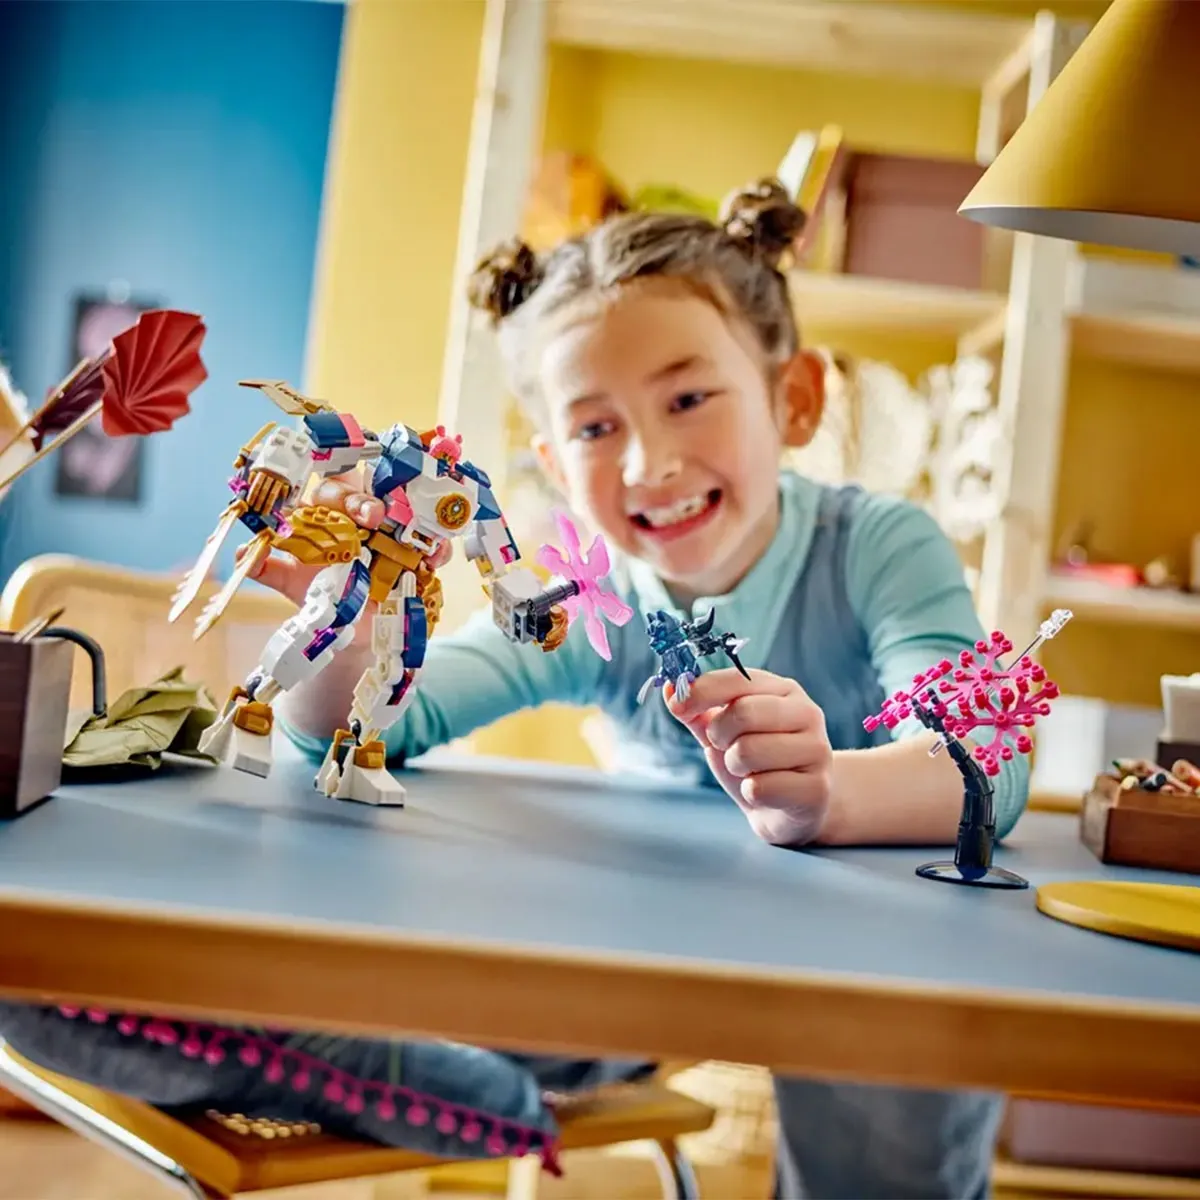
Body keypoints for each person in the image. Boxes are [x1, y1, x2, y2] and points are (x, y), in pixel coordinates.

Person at [0, 179, 1024, 1197]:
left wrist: (831, 794)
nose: (649, 463)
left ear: (794, 399)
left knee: (895, 1106)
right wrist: (340, 621)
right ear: (552, 465)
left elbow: (991, 756)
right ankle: (370, 1062)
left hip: (878, 961)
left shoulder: (880, 545)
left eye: (688, 399)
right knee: (431, 990)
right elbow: (371, 730)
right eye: (595, 429)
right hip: (653, 965)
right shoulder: (585, 590)